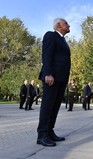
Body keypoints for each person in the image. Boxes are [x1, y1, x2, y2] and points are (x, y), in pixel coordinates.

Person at [37, 18, 71, 147]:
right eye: (66, 23)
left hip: (61, 79)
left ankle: (50, 131)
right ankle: (42, 134)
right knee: (48, 105)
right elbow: (47, 55)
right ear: (58, 25)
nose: (69, 25)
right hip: (52, 77)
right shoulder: (51, 35)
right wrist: (48, 73)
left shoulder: (63, 40)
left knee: (55, 105)